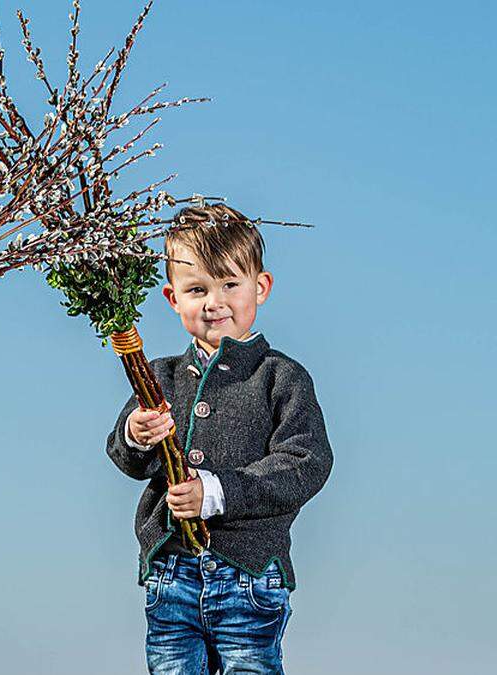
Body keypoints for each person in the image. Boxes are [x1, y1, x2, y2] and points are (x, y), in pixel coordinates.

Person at [105, 203, 332, 674]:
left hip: (249, 576)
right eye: (197, 289)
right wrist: (137, 434)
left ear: (260, 287)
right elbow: (123, 456)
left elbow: (306, 462)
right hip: (171, 574)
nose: (215, 301)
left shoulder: (280, 377)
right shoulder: (158, 377)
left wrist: (216, 491)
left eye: (230, 283)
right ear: (173, 298)